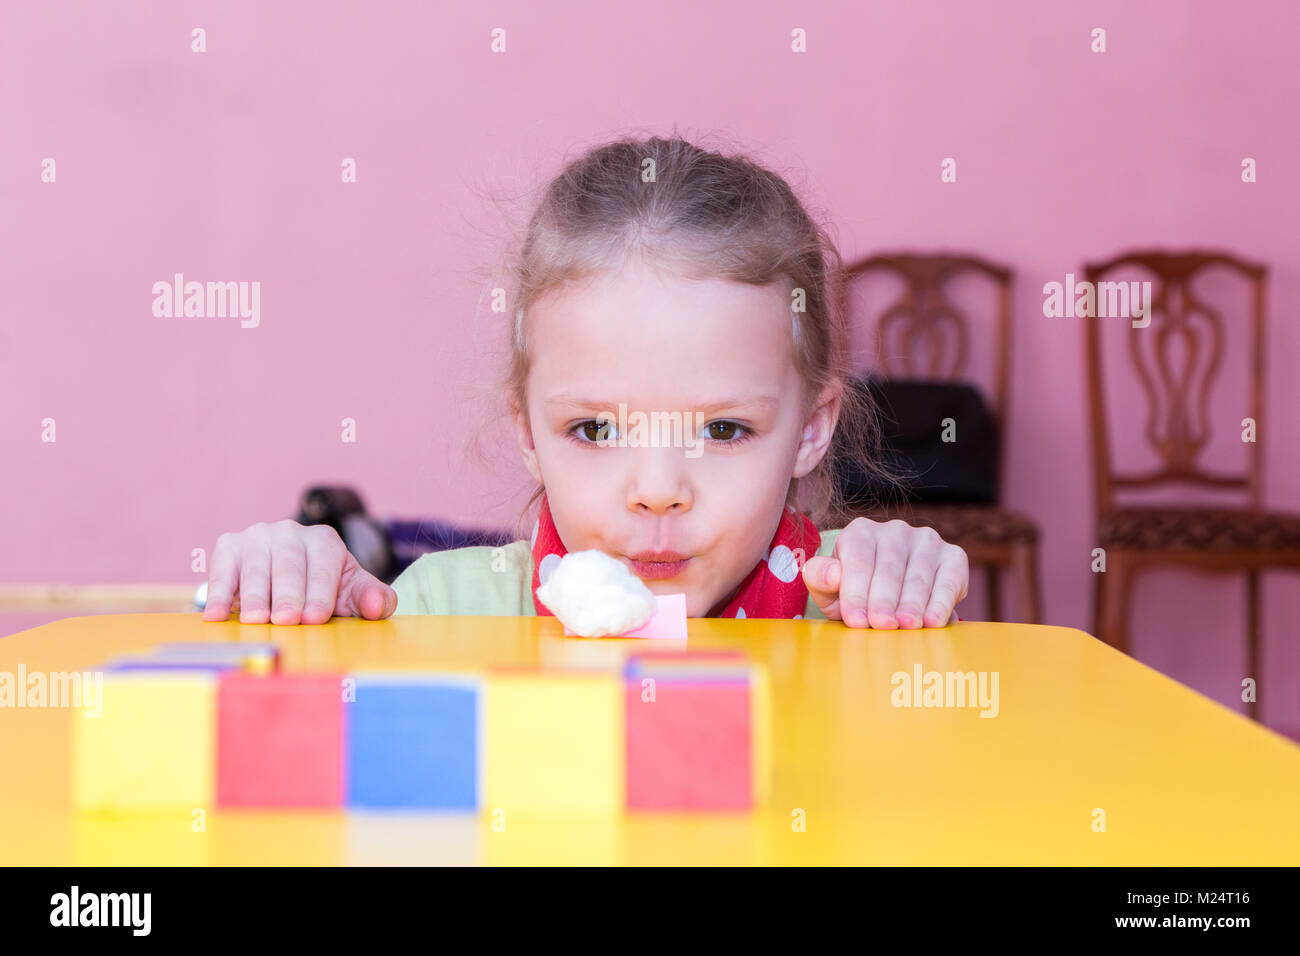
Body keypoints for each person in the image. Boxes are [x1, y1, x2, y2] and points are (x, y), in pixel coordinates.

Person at [203, 135, 969, 630]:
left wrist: (911, 591)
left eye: (723, 429)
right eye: (596, 429)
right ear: (527, 433)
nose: (659, 491)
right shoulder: (438, 613)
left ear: (811, 427)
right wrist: (290, 596)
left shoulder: (850, 603)